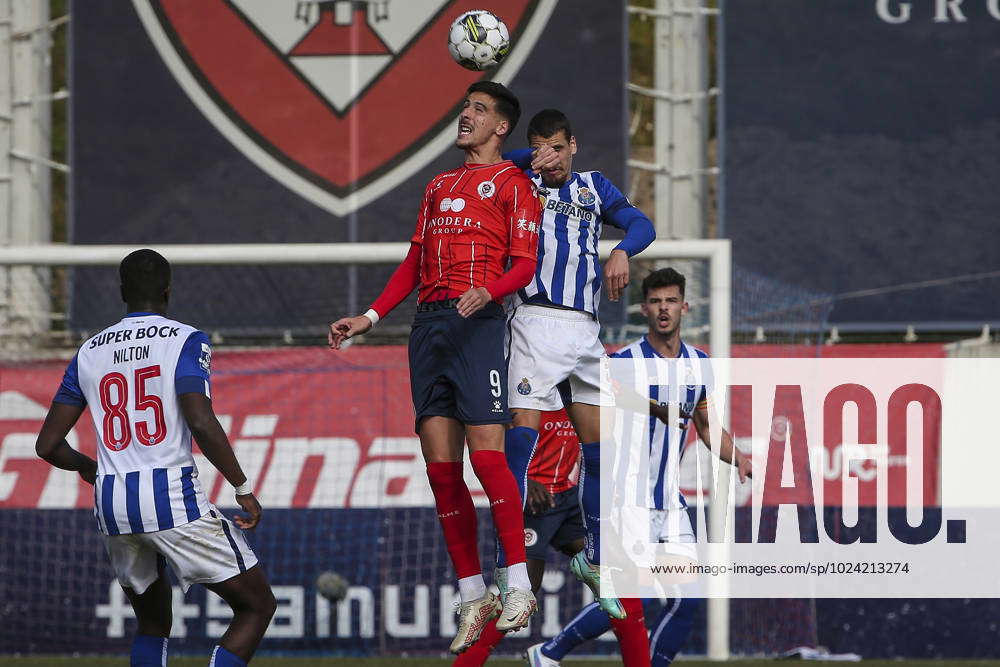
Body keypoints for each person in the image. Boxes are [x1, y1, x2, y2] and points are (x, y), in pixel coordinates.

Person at [328, 81, 543, 654]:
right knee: (440, 466)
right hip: (429, 326)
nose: (464, 115)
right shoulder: (438, 185)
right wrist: (370, 316)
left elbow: (525, 265)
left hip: (478, 324)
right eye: (465, 106)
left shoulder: (515, 186)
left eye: (478, 109)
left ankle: (517, 584)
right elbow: (414, 262)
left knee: (487, 453)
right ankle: (473, 593)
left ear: (501, 126)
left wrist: (488, 292)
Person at [34, 249, 276, 667]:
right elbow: (199, 420)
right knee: (256, 607)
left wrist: (92, 469)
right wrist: (242, 488)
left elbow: (48, 445)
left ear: (122, 292)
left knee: (152, 624)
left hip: (112, 507)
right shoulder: (185, 339)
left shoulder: (89, 350)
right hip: (170, 499)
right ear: (168, 291)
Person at [524, 267, 752, 667]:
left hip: (669, 502)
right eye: (656, 301)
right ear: (644, 309)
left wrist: (740, 459)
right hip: (625, 501)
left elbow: (707, 427)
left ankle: (548, 653)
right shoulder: (621, 363)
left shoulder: (699, 364)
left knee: (688, 599)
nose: (664, 309)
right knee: (636, 597)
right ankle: (548, 652)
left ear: (685, 307)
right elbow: (582, 425)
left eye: (671, 301)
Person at [497, 108, 656, 620]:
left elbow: (641, 223)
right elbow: (495, 158)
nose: (551, 158)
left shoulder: (593, 186)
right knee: (521, 439)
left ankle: (595, 556)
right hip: (535, 320)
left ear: (574, 145)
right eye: (541, 148)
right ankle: (510, 570)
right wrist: (529, 159)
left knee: (600, 448)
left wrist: (623, 251)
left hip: (586, 329)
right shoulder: (519, 179)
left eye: (558, 148)